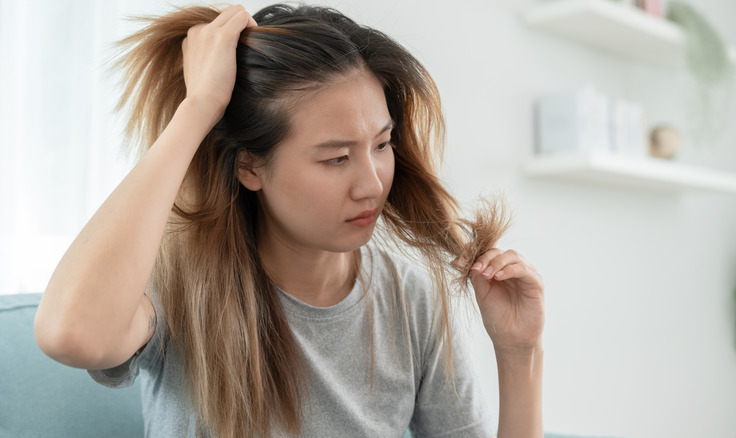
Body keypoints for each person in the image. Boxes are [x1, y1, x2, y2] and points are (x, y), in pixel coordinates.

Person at [34, 3, 544, 437]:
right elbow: (72, 333)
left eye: (382, 145)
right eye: (336, 158)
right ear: (250, 166)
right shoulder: (178, 286)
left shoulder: (410, 297)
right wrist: (199, 108)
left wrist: (519, 353)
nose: (372, 183)